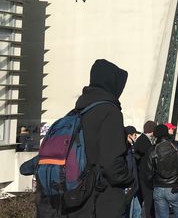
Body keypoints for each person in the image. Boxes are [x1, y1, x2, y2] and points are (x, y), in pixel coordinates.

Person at [38, 59, 134, 217]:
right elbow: (111, 163)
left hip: (75, 197)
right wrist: (128, 179)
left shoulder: (78, 111)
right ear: (112, 84)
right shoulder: (110, 112)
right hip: (101, 199)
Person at [145, 124, 178, 218]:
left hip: (159, 187)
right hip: (174, 186)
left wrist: (153, 185)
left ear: (155, 135)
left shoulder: (152, 150)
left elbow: (149, 173)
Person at [136, 120, 156, 218]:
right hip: (145, 176)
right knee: (148, 200)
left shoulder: (142, 140)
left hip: (142, 175)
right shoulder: (145, 142)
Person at [125, 126, 142, 218]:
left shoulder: (131, 148)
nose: (136, 137)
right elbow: (129, 166)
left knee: (137, 211)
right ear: (129, 136)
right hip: (130, 186)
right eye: (135, 135)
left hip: (133, 185)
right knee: (130, 212)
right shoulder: (126, 149)